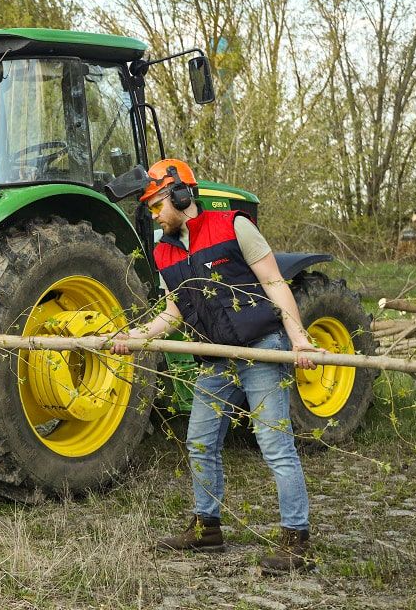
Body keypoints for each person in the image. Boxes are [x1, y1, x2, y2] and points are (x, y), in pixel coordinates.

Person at [111, 158, 324, 574]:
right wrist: (136, 336)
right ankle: (207, 528)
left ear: (180, 195)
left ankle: (296, 540)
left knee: (275, 445)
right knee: (200, 442)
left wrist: (299, 337)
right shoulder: (163, 250)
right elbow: (173, 311)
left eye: (156, 205)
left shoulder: (234, 226)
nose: (153, 215)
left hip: (261, 349)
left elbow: (275, 283)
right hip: (215, 357)